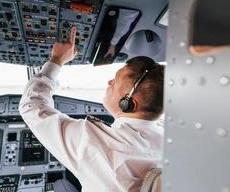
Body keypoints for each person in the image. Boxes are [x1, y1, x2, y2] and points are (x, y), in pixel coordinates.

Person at [19, 26, 164, 192]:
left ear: (128, 102)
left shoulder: (91, 141)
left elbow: (31, 106)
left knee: (60, 185)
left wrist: (57, 59)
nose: (109, 82)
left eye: (115, 81)